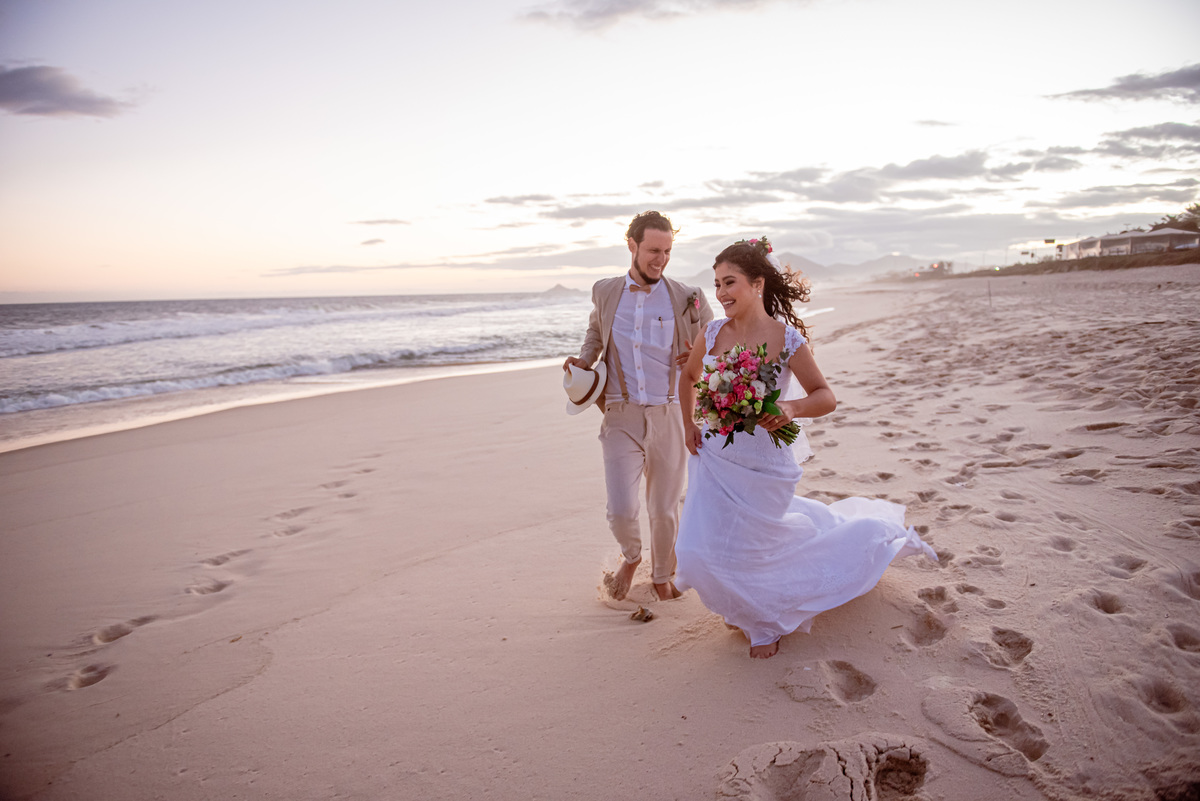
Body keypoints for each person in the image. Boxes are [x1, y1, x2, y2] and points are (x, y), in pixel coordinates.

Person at [676, 238, 936, 658]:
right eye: (717, 284)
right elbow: (688, 378)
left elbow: (825, 396)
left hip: (764, 466)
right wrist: (687, 422)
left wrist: (791, 406)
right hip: (715, 460)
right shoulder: (711, 333)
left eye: (730, 282)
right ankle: (745, 604)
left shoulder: (785, 338)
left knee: (752, 553)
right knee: (694, 551)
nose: (721, 293)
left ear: (757, 283)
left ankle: (763, 621)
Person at [564, 211, 714, 601]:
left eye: (666, 251)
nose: (660, 260)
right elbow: (597, 330)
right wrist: (584, 359)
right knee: (620, 509)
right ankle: (631, 557)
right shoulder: (605, 290)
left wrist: (698, 357)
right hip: (619, 414)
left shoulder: (688, 296)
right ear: (631, 245)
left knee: (664, 510)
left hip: (670, 413)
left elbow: (715, 341)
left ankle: (662, 576)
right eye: (652, 250)